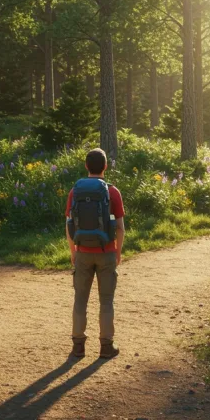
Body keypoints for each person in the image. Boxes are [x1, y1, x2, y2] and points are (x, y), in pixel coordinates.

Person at [65, 148, 125, 359]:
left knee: (80, 299)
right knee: (106, 300)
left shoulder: (75, 191)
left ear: (86, 166)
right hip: (106, 252)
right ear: (106, 166)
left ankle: (78, 346)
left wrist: (74, 251)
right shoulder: (112, 191)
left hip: (82, 252)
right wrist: (117, 252)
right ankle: (106, 346)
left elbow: (69, 225)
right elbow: (119, 227)